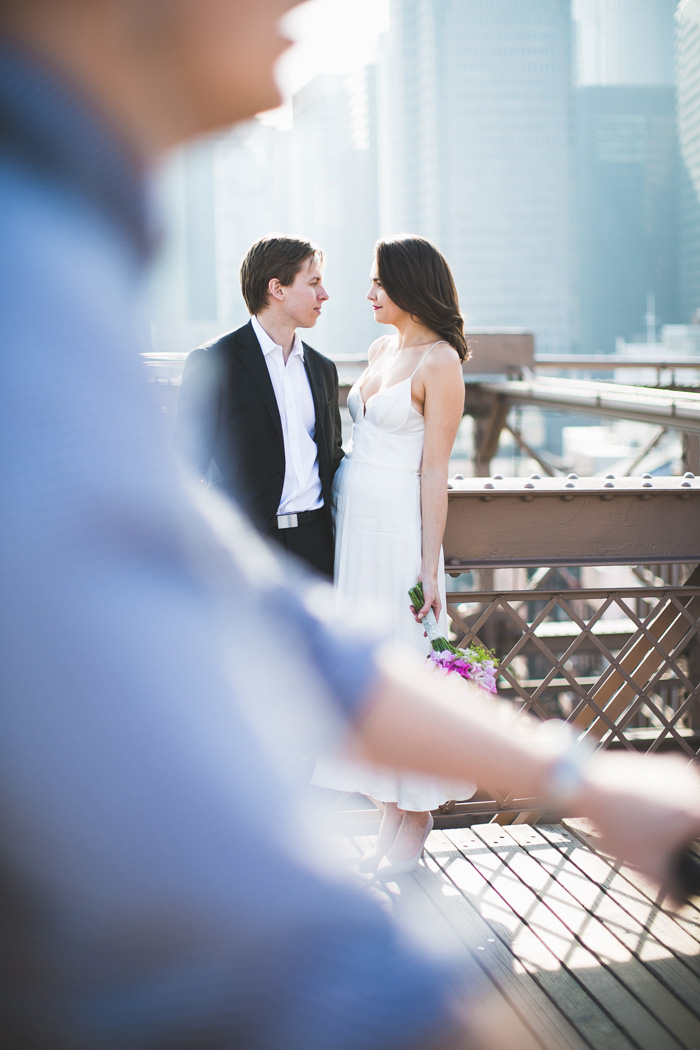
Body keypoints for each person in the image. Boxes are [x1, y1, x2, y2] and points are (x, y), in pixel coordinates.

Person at [2, 2, 700, 1048]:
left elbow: (274, 620)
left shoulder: (73, 243)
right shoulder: (33, 269)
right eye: (323, 279)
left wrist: (579, 778)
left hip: (346, 548)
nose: (299, 7)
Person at [313, 235, 474, 873]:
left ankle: (417, 815)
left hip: (399, 537)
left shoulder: (442, 362)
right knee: (367, 664)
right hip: (354, 527)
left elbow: (435, 472)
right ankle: (387, 807)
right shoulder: (382, 348)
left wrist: (428, 566)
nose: (369, 293)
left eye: (379, 282)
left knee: (402, 665)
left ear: (409, 286)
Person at [175, 235, 342, 578]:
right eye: (313, 283)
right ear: (277, 289)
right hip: (245, 550)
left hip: (317, 546)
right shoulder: (214, 362)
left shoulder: (323, 369)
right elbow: (186, 466)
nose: (324, 295)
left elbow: (332, 458)